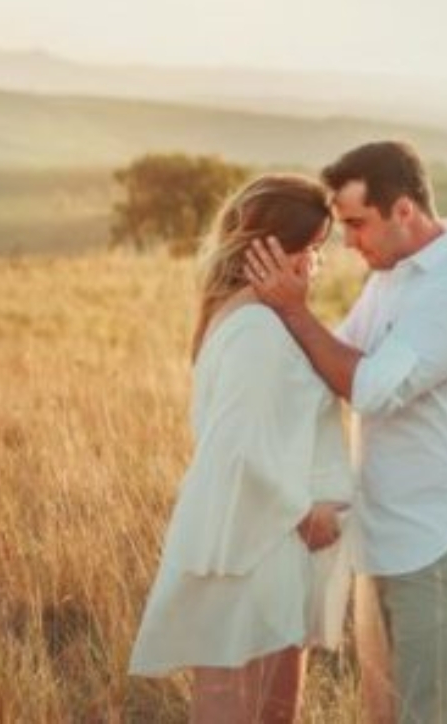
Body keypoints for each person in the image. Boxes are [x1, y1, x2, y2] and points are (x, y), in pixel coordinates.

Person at [245, 140, 447, 724]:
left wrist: (295, 310)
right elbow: (326, 365)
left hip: (444, 547)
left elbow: (367, 387)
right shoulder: (392, 277)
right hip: (385, 543)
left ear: (404, 211)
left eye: (356, 224)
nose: (349, 242)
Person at [130, 174, 354, 724]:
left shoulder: (249, 315)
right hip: (253, 550)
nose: (318, 264)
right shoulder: (255, 327)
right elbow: (236, 450)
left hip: (255, 542)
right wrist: (305, 513)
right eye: (313, 249)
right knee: (244, 710)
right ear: (277, 253)